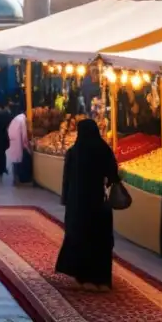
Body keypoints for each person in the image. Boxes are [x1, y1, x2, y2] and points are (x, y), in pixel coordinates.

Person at [55, 119, 121, 291]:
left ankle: (83, 276)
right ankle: (101, 279)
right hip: (98, 203)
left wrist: (65, 199)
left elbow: (66, 180)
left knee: (80, 237)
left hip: (78, 204)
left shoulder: (74, 152)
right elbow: (113, 174)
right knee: (100, 240)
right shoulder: (103, 150)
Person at [7, 107, 32, 185]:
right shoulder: (23, 120)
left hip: (13, 141)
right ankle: (19, 179)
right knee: (19, 161)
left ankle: (15, 179)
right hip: (18, 141)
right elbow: (24, 135)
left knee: (15, 161)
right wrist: (28, 147)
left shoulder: (17, 118)